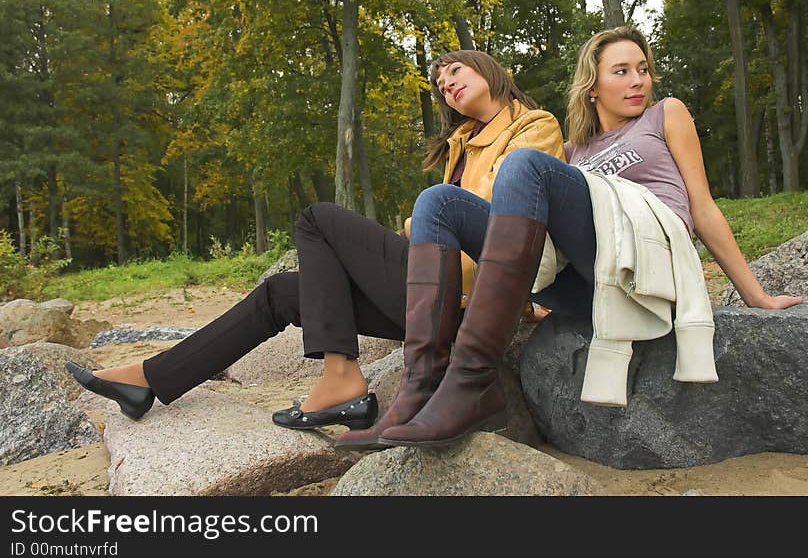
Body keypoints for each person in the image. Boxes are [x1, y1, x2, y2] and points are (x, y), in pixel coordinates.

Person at [65, 50, 565, 448]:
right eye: (440, 83)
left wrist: (419, 221)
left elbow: (502, 217)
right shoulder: (460, 145)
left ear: (489, 69)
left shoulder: (533, 126)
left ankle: (341, 378)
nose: (448, 84)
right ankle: (151, 378)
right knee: (282, 293)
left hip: (475, 305)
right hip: (433, 299)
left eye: (456, 71)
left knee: (318, 218)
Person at [373, 26, 805, 449]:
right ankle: (420, 385)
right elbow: (534, 234)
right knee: (437, 201)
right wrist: (531, 306)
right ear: (592, 86)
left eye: (643, 69)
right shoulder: (572, 152)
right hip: (592, 287)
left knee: (523, 165)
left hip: (648, 262)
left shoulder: (664, 114)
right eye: (621, 71)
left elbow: (704, 208)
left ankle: (471, 379)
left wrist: (756, 297)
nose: (637, 81)